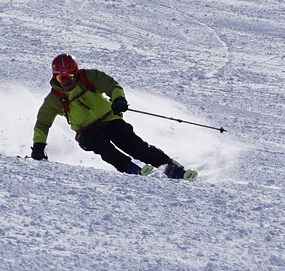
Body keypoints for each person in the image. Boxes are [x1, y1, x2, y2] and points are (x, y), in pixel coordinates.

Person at [30, 53, 196, 179]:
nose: (66, 81)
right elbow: (42, 123)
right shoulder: (54, 99)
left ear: (76, 72)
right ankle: (130, 168)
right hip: (86, 132)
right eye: (61, 77)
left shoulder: (90, 77)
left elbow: (112, 86)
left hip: (110, 120)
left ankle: (175, 171)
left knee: (136, 146)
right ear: (55, 77)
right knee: (100, 142)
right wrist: (38, 146)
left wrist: (118, 100)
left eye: (69, 76)